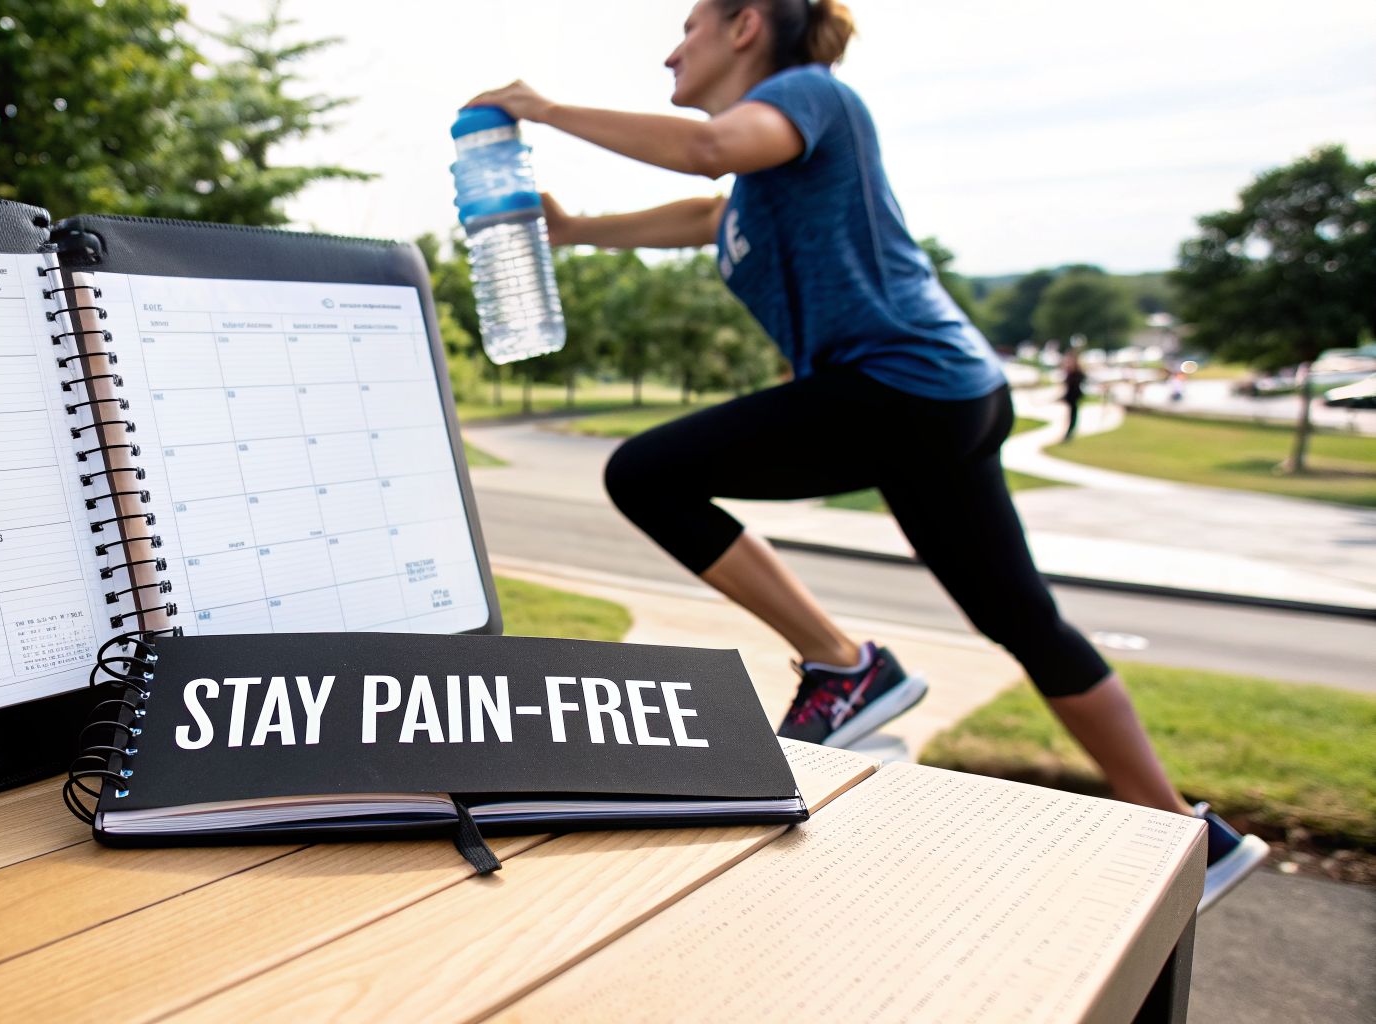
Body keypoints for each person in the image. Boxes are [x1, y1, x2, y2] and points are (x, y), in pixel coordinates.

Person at [468, 0, 1264, 911]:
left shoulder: (812, 95)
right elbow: (708, 211)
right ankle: (1190, 835)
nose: (670, 53)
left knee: (646, 473)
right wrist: (578, 230)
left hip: (903, 386)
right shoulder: (766, 187)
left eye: (689, 27)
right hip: (943, 399)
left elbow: (710, 152)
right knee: (1023, 621)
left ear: (746, 25)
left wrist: (545, 110)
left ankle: (844, 666)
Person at [1061, 347, 1087, 442]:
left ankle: (1070, 433)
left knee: (1073, 415)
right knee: (1071, 415)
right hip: (1071, 396)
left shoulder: (1076, 372)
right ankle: (1069, 432)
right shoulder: (1071, 372)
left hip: (1074, 396)